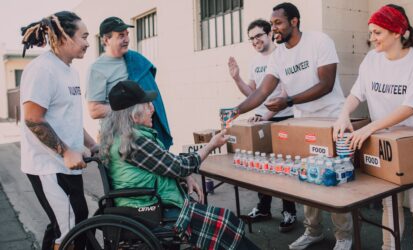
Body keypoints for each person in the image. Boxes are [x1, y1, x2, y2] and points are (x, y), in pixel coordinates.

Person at [231, 2, 353, 250]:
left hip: (330, 118)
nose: (273, 28)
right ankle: (313, 231)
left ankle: (344, 236)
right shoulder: (278, 56)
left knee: (333, 181)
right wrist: (237, 110)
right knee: (307, 177)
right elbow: (262, 92)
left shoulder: (319, 41)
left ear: (294, 22)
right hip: (303, 121)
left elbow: (326, 84)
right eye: (272, 23)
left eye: (278, 23)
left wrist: (289, 100)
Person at [99, 80, 260, 250]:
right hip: (151, 210)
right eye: (147, 106)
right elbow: (179, 166)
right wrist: (211, 145)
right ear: (134, 115)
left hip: (146, 203)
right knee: (224, 223)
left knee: (223, 223)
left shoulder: (118, 136)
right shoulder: (134, 141)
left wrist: (184, 174)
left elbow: (167, 163)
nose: (153, 109)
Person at [333, 4, 413, 250]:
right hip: (386, 141)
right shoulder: (372, 59)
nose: (372, 38)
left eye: (378, 32)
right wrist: (343, 114)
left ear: (397, 32)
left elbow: (410, 106)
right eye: (371, 32)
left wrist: (369, 129)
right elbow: (356, 94)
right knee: (389, 203)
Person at [20, 11, 97, 250]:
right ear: (64, 36)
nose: (87, 42)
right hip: (48, 166)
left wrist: (92, 144)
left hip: (68, 165)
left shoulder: (71, 71)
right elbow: (33, 120)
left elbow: (69, 119)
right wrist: (65, 152)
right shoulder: (42, 69)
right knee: (71, 230)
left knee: (69, 224)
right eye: (83, 36)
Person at [228, 19, 296, 232]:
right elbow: (253, 94)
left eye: (258, 35)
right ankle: (264, 208)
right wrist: (237, 78)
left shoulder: (282, 56)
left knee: (284, 169)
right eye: (251, 38)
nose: (255, 41)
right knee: (261, 167)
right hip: (261, 121)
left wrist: (266, 115)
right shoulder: (255, 62)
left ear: (269, 34)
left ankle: (289, 211)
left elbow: (285, 94)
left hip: (283, 119)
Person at [86, 16, 172, 149]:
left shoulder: (135, 59)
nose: (126, 39)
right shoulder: (97, 68)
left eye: (127, 34)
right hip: (118, 138)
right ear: (106, 39)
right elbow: (94, 111)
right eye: (121, 35)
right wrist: (130, 107)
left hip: (144, 134)